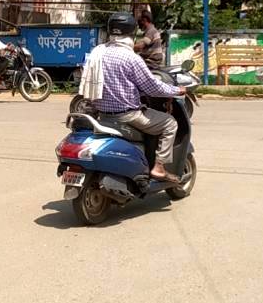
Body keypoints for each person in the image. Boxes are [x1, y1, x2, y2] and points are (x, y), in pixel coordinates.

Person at [79, 12, 184, 184]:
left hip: (102, 114)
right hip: (128, 116)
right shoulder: (131, 58)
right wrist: (175, 90)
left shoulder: (97, 52)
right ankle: (159, 167)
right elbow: (152, 87)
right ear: (132, 32)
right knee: (170, 123)